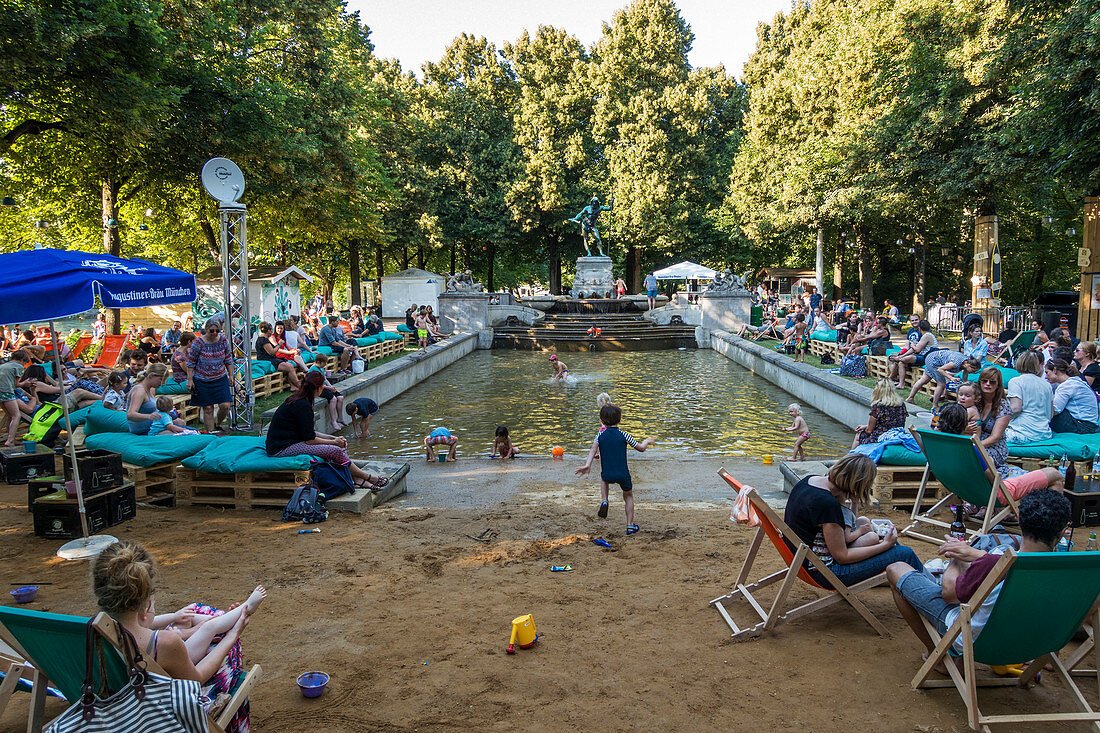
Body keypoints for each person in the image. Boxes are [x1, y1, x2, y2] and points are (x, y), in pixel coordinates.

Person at [886, 489, 1070, 671]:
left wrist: (955, 558)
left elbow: (949, 595)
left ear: (1020, 521)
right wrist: (975, 556)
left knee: (896, 570)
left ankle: (941, 658)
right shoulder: (1071, 571)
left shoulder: (995, 563)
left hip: (974, 642)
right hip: (1028, 647)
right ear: (1062, 531)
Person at [90, 541, 261, 733]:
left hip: (108, 706)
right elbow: (196, 680)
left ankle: (218, 621)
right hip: (157, 715)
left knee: (197, 614)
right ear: (145, 603)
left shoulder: (86, 632)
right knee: (225, 647)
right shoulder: (162, 643)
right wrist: (233, 634)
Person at [783, 453, 923, 586]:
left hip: (799, 560)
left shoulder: (808, 480)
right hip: (826, 573)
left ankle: (909, 575)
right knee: (905, 553)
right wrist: (884, 546)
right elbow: (842, 557)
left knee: (885, 540)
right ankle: (932, 592)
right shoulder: (827, 504)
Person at [265, 372, 387, 490]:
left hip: (290, 442)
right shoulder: (303, 405)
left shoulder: (300, 400)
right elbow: (310, 440)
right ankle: (367, 477)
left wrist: (333, 438)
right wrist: (334, 443)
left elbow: (309, 433)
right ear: (318, 389)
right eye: (323, 386)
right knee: (335, 451)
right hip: (281, 449)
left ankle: (357, 480)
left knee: (336, 446)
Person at [936, 403, 1062, 501]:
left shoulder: (938, 446)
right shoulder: (969, 449)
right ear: (964, 425)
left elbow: (937, 430)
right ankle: (1054, 527)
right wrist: (989, 462)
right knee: (1054, 474)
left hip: (963, 490)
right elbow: (993, 478)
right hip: (994, 494)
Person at [576, 403, 655, 535]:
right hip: (623, 474)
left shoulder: (599, 436)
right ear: (619, 419)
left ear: (601, 420)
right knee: (628, 496)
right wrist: (646, 441)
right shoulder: (624, 435)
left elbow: (592, 450)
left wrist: (587, 465)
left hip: (608, 474)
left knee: (603, 478)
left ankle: (605, 500)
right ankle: (630, 525)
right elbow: (640, 448)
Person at [185, 318, 235, 433]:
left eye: (217, 331)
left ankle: (217, 423)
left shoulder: (223, 341)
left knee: (225, 406)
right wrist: (189, 380)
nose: (215, 333)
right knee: (207, 408)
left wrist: (231, 375)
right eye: (212, 331)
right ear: (206, 330)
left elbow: (228, 359)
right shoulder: (198, 343)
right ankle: (210, 433)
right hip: (202, 379)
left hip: (220, 377)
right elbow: (191, 363)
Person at [1005, 351, 1053, 444]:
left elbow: (1015, 409)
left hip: (1023, 433)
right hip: (1044, 434)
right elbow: (1050, 414)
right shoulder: (1047, 385)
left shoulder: (1016, 382)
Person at [906, 353, 982, 409]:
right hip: (934, 361)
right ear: (968, 365)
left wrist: (964, 385)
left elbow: (964, 379)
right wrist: (951, 378)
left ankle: (910, 398)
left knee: (924, 379)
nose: (973, 372)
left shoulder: (966, 363)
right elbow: (940, 369)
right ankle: (935, 406)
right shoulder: (956, 363)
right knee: (941, 384)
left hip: (932, 357)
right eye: (973, 370)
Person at [126, 363, 183, 435]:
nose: (162, 383)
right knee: (179, 433)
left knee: (180, 422)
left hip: (154, 426)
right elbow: (130, 415)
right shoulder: (139, 391)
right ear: (152, 375)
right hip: (145, 430)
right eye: (161, 380)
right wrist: (149, 416)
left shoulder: (151, 389)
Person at [853, 378, 909, 448]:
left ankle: (850, 457)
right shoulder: (901, 404)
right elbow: (891, 424)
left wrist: (865, 428)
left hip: (881, 437)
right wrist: (865, 426)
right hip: (897, 434)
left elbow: (869, 430)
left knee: (859, 434)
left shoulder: (878, 406)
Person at [1047, 358, 1098, 433]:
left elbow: (1055, 410)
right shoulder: (1075, 381)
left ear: (1054, 370)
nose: (1046, 377)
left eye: (1047, 373)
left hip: (1084, 426)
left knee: (1046, 410)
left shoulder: (1068, 385)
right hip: (1089, 424)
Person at [889, 316, 938, 387]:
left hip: (926, 357)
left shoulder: (926, 335)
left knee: (902, 360)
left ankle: (891, 378)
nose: (914, 322)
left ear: (920, 328)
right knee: (898, 361)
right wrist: (901, 354)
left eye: (916, 320)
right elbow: (911, 347)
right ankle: (900, 383)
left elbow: (917, 349)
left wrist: (911, 347)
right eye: (912, 320)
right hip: (919, 354)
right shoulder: (913, 332)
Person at [255, 321, 301, 389]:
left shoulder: (261, 339)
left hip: (269, 358)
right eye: (272, 330)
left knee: (288, 364)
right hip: (268, 360)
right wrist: (279, 344)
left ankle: (293, 386)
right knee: (290, 367)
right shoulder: (264, 340)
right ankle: (299, 385)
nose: (272, 332)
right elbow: (272, 352)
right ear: (269, 330)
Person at [0, 350, 32, 446]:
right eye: (25, 362)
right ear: (22, 359)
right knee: (16, 416)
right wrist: (26, 383)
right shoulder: (18, 367)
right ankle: (9, 441)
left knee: (10, 415)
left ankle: (12, 439)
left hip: (1, 392)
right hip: (6, 392)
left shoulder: (4, 365)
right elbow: (17, 384)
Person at [307, 353, 344, 429]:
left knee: (340, 397)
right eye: (324, 363)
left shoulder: (321, 368)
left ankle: (340, 418)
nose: (325, 365)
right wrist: (328, 388)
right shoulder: (313, 370)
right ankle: (333, 421)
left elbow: (325, 379)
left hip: (325, 387)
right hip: (318, 388)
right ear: (318, 362)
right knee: (333, 399)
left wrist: (331, 386)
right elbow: (316, 383)